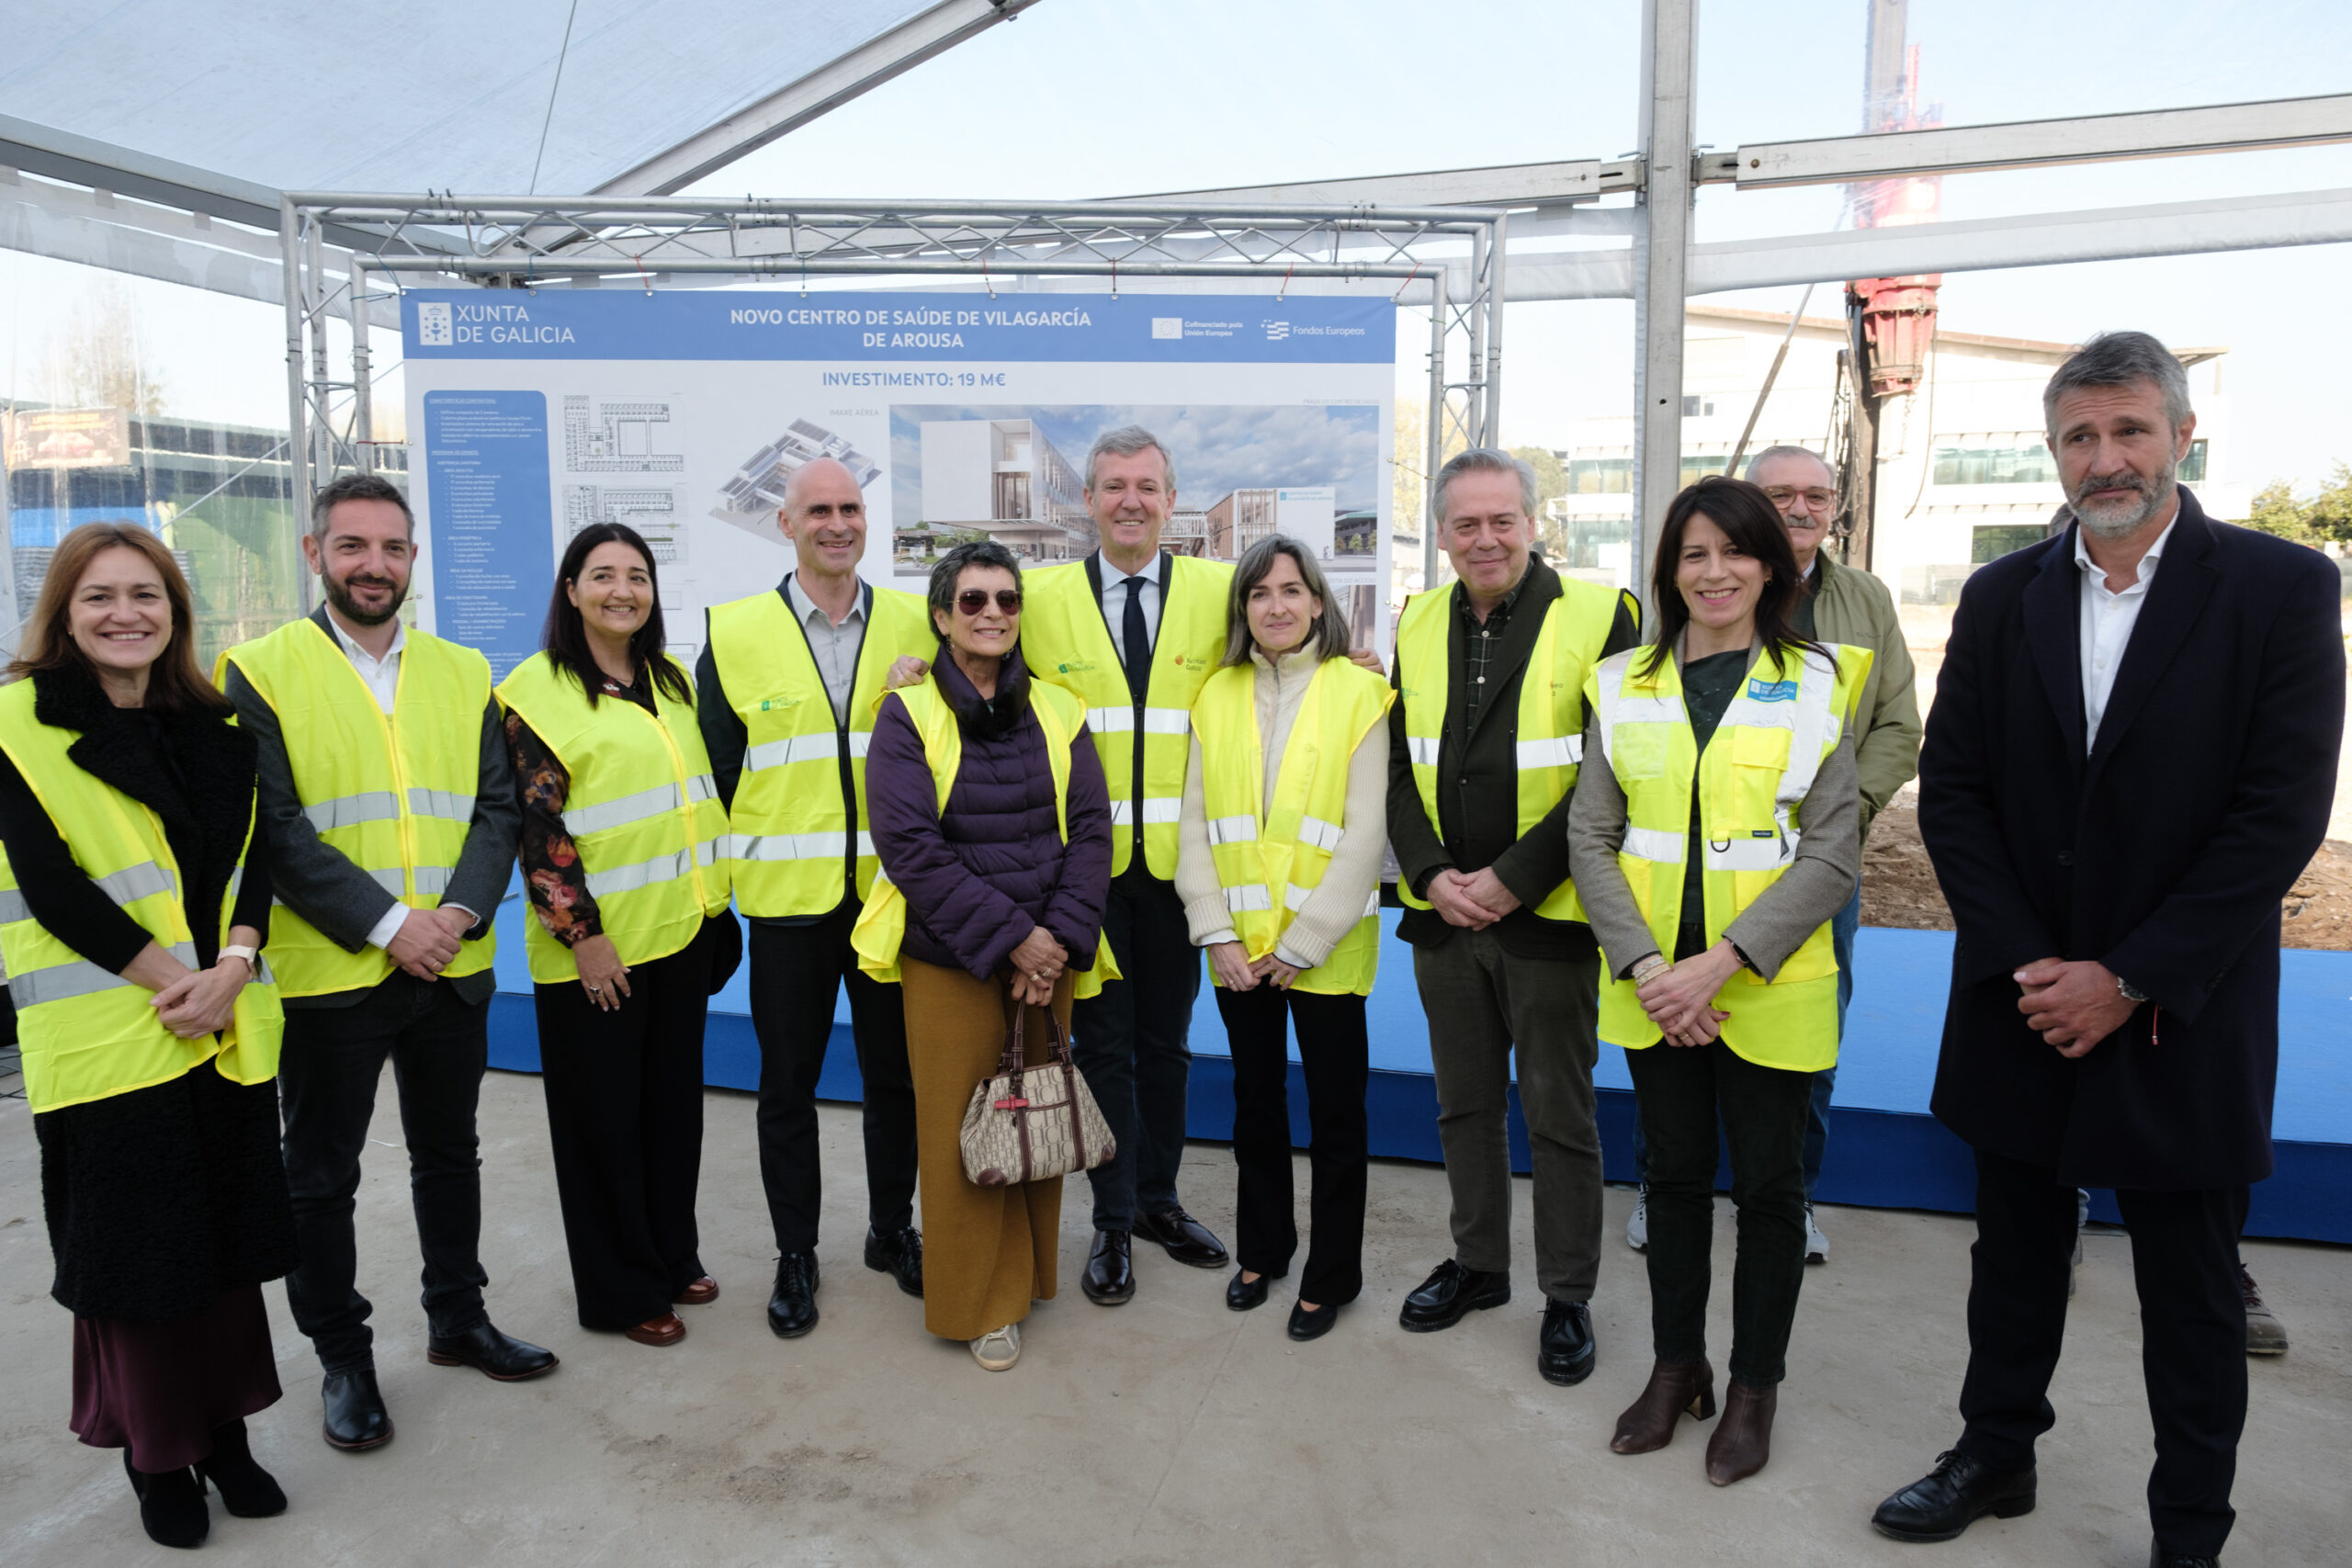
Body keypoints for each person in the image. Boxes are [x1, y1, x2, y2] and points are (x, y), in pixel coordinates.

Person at [1871, 333, 2345, 1567]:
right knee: (2013, 1249)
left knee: (2190, 1286)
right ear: (2054, 452)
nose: (2107, 456)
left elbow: (2278, 813)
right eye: (2081, 435)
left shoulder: (2280, 590)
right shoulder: (2001, 595)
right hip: (2025, 999)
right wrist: (2037, 965)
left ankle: (2189, 1524)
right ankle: (1995, 1450)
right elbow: (1956, 793)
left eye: (2130, 428)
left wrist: (2128, 973)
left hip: (2176, 1006)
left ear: (2182, 436)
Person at [220, 473, 549, 1454]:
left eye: (393, 548)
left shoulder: (462, 668)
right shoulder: (259, 668)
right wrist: (386, 924)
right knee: (320, 1175)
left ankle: (458, 1318)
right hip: (332, 975)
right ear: (316, 553)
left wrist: (451, 914)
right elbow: (271, 828)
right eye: (354, 546)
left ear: (413, 559)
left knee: (451, 1153)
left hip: (450, 965)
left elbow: (499, 809)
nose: (375, 565)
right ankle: (343, 1358)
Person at [1568, 477, 1868, 1486]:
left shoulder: (1823, 681)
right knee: (1673, 1181)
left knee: (1773, 1195)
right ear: (1668, 571)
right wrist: (1651, 968)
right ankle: (1676, 1366)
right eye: (1691, 554)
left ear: (1769, 566)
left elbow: (1832, 856)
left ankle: (1752, 1388)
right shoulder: (1621, 683)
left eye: (1733, 552)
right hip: (1655, 993)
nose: (1713, 571)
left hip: (1764, 987)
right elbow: (1592, 838)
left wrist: (1721, 964)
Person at [0, 523, 294, 1548]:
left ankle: (226, 1434)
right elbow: (52, 889)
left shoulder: (217, 728)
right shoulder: (17, 725)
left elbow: (253, 867)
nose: (125, 614)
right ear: (64, 615)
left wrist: (236, 966)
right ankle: (155, 1452)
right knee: (139, 1260)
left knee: (223, 1246)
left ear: (175, 612)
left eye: (147, 596)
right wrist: (185, 982)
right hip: (112, 1044)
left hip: (218, 1034)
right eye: (99, 598)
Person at [1627, 447, 1921, 1267]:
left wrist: (1840, 823)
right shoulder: (1701, 592)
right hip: (1697, 866)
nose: (1801, 508)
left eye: (1817, 495)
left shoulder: (1864, 599)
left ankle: (1794, 1194)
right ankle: (1662, 1183)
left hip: (1821, 870)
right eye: (1780, 494)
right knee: (1678, 1028)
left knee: (1806, 1033)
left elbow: (1897, 723)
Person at [1385, 447, 1637, 1387]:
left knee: (1560, 1114)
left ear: (1534, 524)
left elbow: (1609, 772)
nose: (1484, 539)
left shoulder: (1603, 615)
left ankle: (1565, 1295)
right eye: (1465, 524)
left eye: (1502, 520)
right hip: (1446, 917)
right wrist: (1429, 872)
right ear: (1443, 534)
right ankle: (1479, 1265)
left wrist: (1512, 880)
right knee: (1463, 1106)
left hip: (1550, 918)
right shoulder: (1417, 621)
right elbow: (1397, 766)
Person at [854, 542, 1114, 1371]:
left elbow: (1093, 831)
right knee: (964, 1139)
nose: (992, 613)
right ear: (941, 616)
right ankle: (979, 1306)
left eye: (1005, 599)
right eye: (972, 600)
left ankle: (1031, 1277)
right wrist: (1013, 939)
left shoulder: (1061, 710)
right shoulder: (908, 714)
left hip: (1049, 962)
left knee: (1037, 1117)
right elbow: (910, 848)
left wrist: (1057, 942)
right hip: (954, 960)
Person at [696, 456, 932, 1339]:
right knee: (785, 1087)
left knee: (894, 1080)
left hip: (889, 900)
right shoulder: (736, 628)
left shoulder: (918, 620)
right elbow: (715, 772)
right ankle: (796, 1252)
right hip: (787, 904)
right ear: (786, 524)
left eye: (851, 508)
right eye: (818, 510)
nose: (838, 523)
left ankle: (888, 1229)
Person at [499, 524, 734, 1348]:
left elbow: (690, 800)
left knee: (671, 1113)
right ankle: (618, 1290)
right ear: (571, 590)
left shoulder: (666, 679)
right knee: (602, 1127)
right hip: (599, 954)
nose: (622, 590)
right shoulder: (535, 692)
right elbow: (538, 826)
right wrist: (581, 935)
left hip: (680, 934)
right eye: (603, 575)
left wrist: (719, 906)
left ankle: (672, 1254)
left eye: (637, 575)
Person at [1020, 426, 1232, 1303]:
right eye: (1112, 486)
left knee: (1167, 1047)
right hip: (1086, 877)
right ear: (1088, 500)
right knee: (1102, 1049)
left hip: (1180, 873)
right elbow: (973, 660)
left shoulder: (1221, 592)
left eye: (1146, 486)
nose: (1130, 501)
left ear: (1171, 499)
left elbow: (1293, 645)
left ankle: (1158, 1202)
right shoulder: (1039, 599)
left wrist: (1352, 660)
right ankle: (1110, 1227)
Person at [1174, 536, 1391, 1341]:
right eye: (1260, 592)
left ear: (1319, 602)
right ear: (1243, 608)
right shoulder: (1215, 694)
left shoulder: (1360, 692)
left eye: (1292, 590)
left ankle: (1332, 1274)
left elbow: (1367, 830)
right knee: (1254, 1109)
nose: (1276, 605)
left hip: (1323, 954)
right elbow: (1194, 823)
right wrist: (1214, 929)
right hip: (1237, 951)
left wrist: (1305, 941)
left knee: (1338, 1118)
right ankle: (1263, 1250)